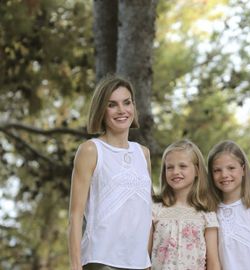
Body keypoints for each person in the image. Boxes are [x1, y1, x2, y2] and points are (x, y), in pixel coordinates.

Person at [68, 74, 153, 270]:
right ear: (101, 110)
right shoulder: (91, 150)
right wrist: (75, 266)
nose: (121, 110)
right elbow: (75, 215)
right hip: (102, 260)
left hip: (140, 263)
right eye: (112, 104)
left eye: (127, 102)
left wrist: (147, 260)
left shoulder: (143, 154)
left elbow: (145, 213)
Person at [150, 139, 221, 270]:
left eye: (182, 166)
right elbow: (145, 257)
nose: (175, 171)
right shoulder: (155, 209)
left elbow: (213, 262)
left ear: (197, 171)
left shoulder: (206, 213)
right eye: (169, 167)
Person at [207, 140, 250, 270]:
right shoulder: (211, 209)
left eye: (231, 168)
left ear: (243, 169)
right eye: (217, 170)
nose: (224, 175)